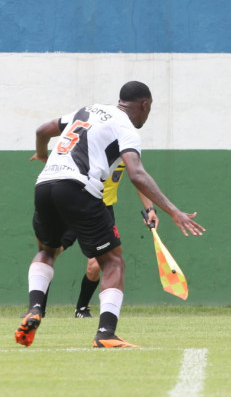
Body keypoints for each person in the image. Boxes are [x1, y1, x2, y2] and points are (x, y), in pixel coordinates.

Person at [15, 81, 204, 348]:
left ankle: (34, 308)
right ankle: (106, 333)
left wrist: (41, 153)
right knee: (113, 261)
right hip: (79, 188)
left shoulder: (86, 111)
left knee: (47, 250)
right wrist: (174, 211)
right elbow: (137, 174)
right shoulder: (125, 127)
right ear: (145, 105)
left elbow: (42, 130)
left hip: (45, 185)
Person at [55, 165, 159, 319]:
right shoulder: (92, 147)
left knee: (95, 264)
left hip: (102, 211)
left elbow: (139, 181)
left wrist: (150, 210)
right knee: (53, 250)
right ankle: (36, 307)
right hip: (76, 205)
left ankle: (81, 309)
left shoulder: (126, 152)